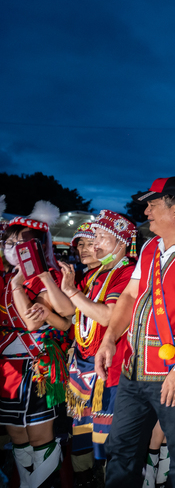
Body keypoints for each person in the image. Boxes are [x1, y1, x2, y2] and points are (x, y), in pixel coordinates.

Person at [97, 176, 175, 488]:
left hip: (174, 374)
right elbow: (129, 296)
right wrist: (109, 338)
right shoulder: (150, 247)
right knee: (121, 449)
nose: (147, 213)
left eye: (153, 206)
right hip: (134, 370)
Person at [42, 210, 137, 487]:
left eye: (100, 238)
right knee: (81, 430)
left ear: (122, 243)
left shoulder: (128, 272)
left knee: (113, 435)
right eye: (92, 238)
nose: (92, 245)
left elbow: (107, 316)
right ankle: (83, 479)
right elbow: (71, 314)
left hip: (112, 367)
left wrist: (72, 291)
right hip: (84, 365)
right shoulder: (95, 274)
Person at [0, 201, 69, 488]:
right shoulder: (3, 277)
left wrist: (17, 283)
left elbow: (31, 322)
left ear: (37, 247)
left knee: (41, 438)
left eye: (20, 243)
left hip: (37, 365)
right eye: (9, 241)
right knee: (17, 438)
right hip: (6, 367)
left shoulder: (49, 278)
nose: (12, 247)